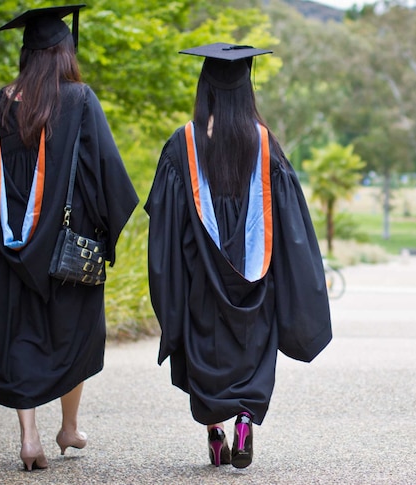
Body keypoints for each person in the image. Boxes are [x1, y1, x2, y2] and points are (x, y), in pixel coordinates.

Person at [0, 5, 138, 471]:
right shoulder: (78, 100)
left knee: (19, 337)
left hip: (4, 249)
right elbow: (109, 178)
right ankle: (69, 427)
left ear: (26, 54)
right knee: (72, 334)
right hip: (64, 251)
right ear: (64, 54)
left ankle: (30, 436)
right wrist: (103, 234)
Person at [145, 43, 332, 469]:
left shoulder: (183, 144)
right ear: (246, 90)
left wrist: (169, 282)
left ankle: (215, 433)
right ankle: (245, 417)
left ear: (203, 88)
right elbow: (291, 224)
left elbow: (164, 225)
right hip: (256, 283)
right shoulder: (265, 144)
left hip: (199, 284)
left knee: (204, 355)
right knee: (251, 352)